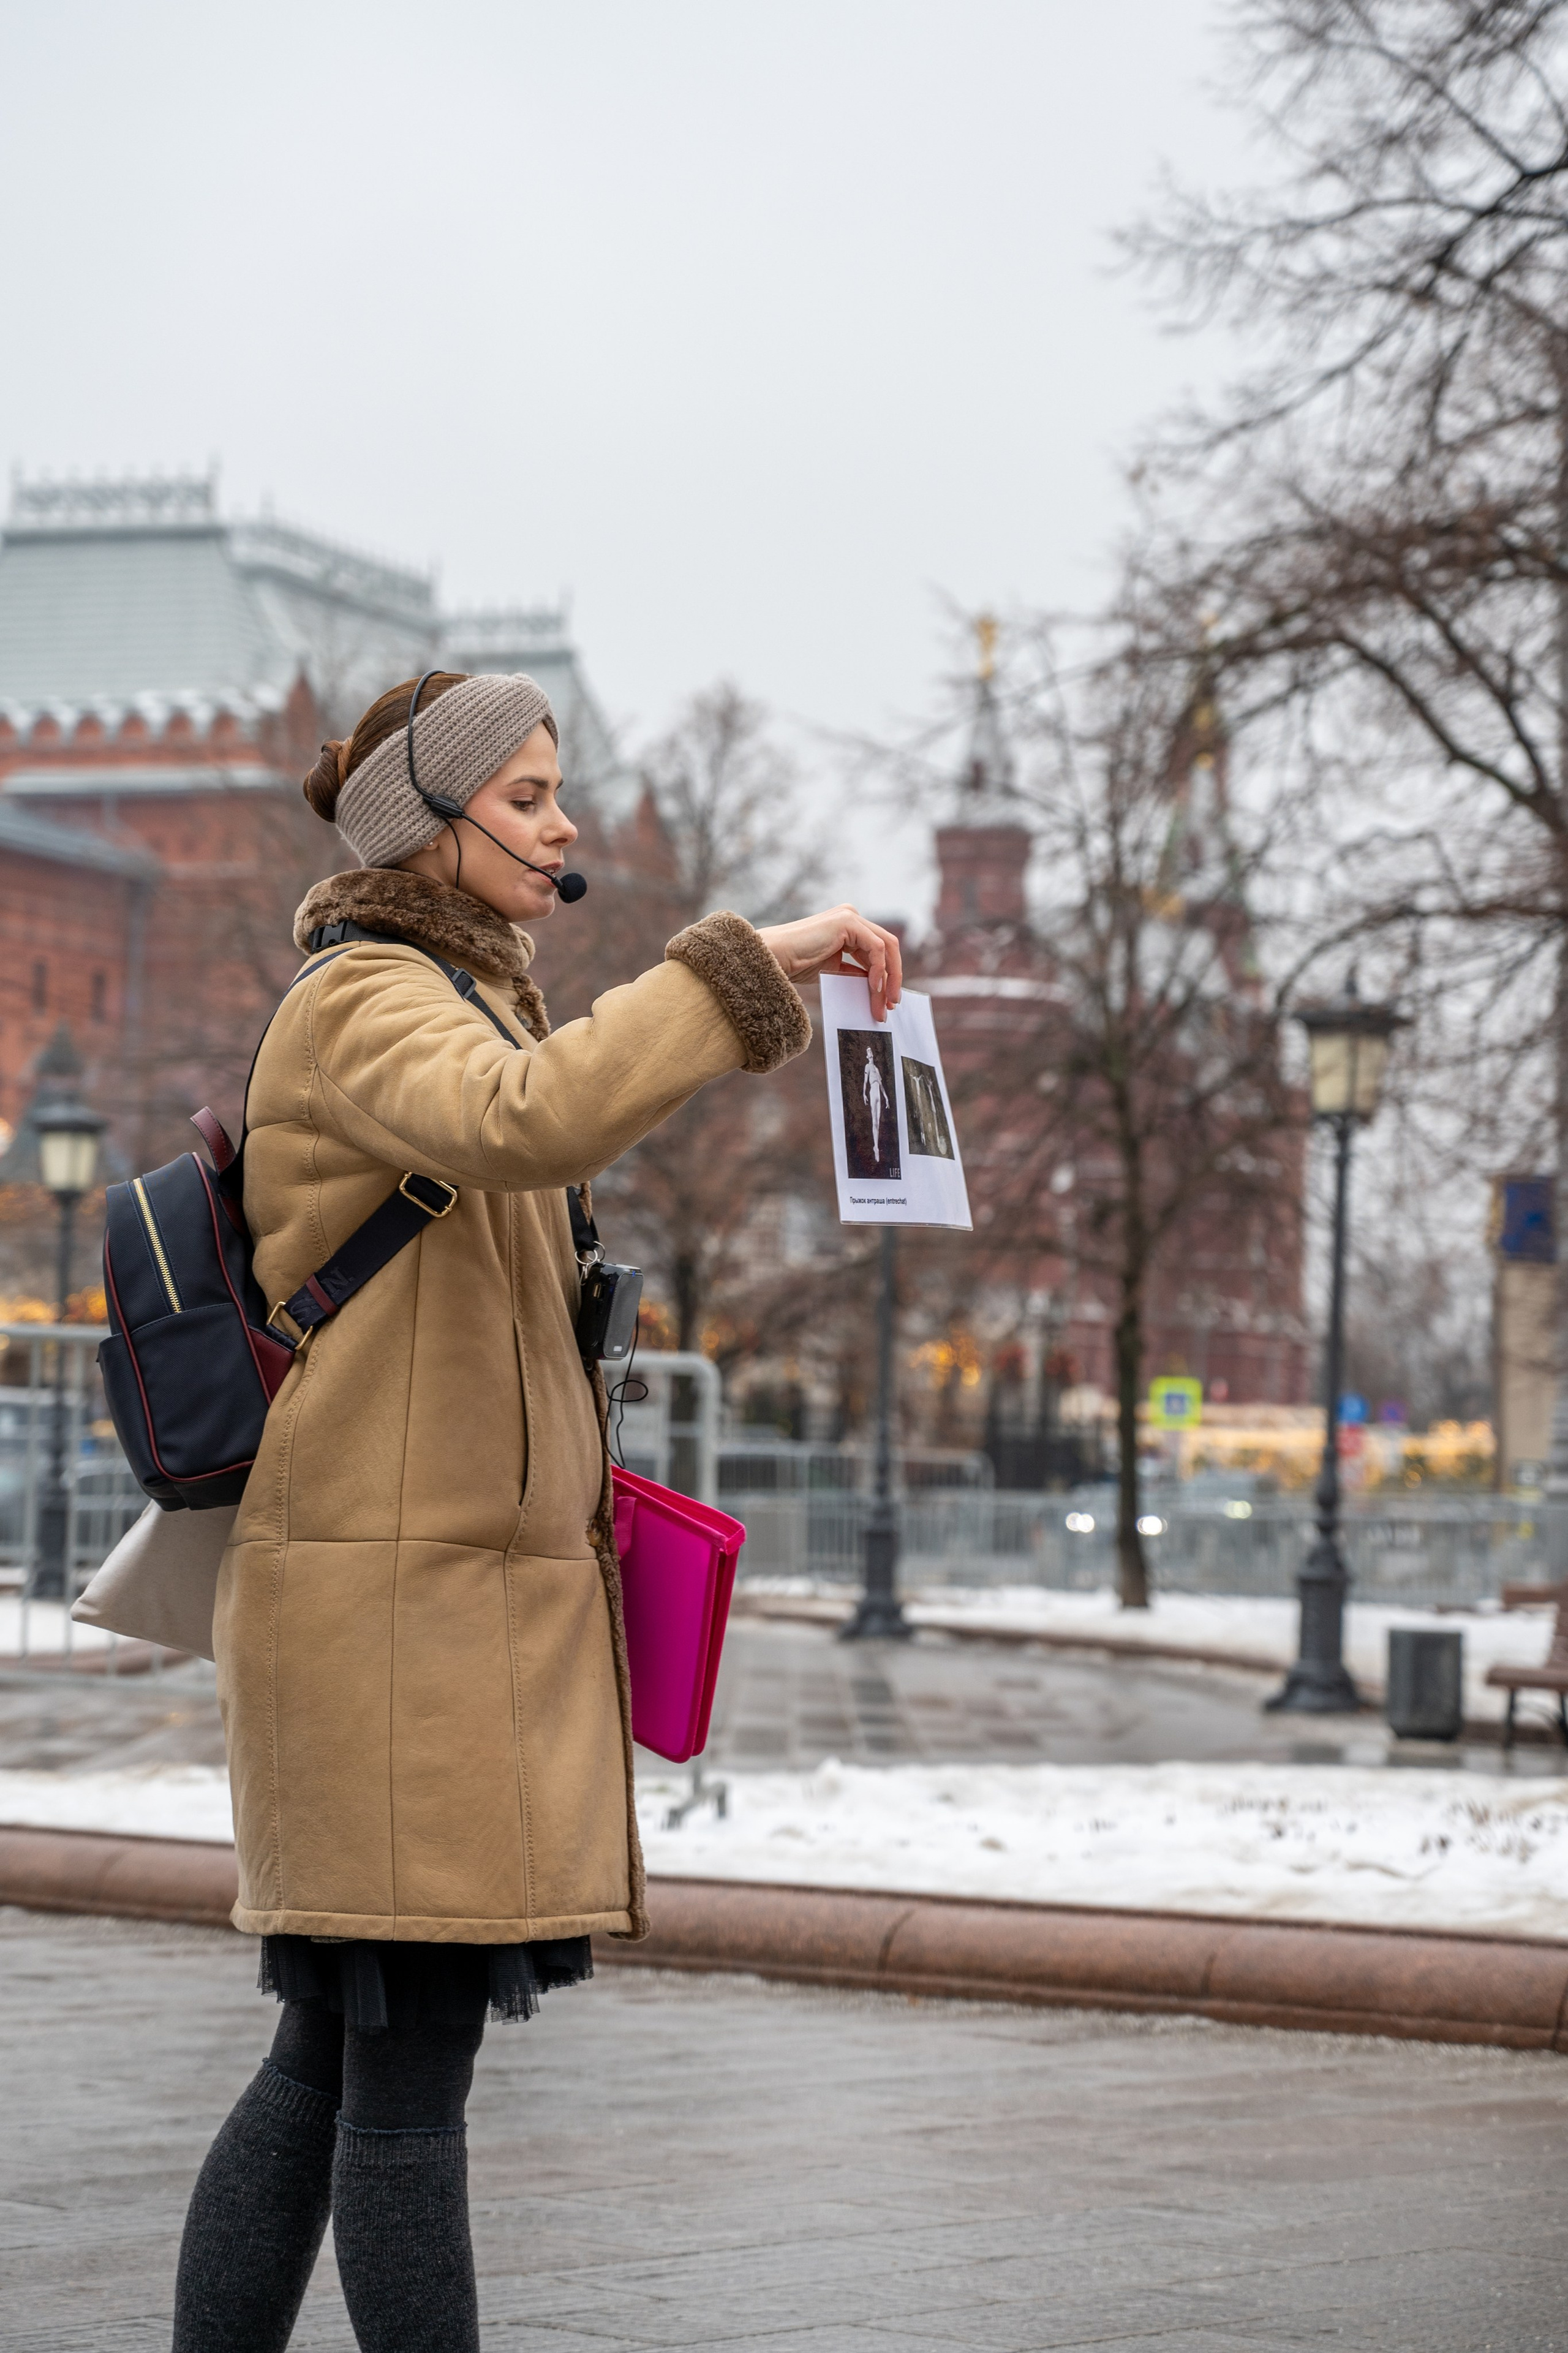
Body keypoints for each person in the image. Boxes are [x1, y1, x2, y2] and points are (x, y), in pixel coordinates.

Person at [170, 669, 902, 2353]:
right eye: (526, 795)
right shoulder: (369, 998)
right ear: (428, 825)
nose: (563, 824)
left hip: (422, 1619)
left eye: (559, 793)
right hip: (385, 1630)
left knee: (338, 2061)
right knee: (398, 2079)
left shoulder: (457, 1000)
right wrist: (750, 959)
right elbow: (534, 1118)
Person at [862, 1042, 891, 1164]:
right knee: (874, 1121)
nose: (870, 1052)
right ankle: (876, 1148)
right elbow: (865, 1081)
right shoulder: (868, 1067)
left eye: (871, 1050)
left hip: (879, 1092)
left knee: (878, 1122)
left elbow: (881, 1085)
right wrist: (864, 1093)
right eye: (868, 1051)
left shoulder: (877, 1069)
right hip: (872, 1092)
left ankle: (876, 1145)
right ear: (867, 1056)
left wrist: (887, 1098)